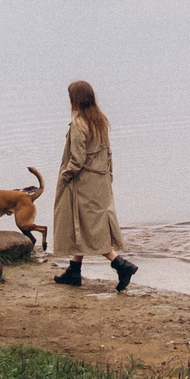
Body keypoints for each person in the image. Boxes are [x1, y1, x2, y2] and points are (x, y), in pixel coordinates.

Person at [50, 78, 136, 290]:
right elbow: (108, 153)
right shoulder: (100, 120)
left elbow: (77, 159)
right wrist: (109, 176)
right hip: (101, 180)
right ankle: (74, 271)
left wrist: (65, 176)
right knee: (85, 222)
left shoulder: (79, 124)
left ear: (75, 99)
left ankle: (120, 264)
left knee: (89, 226)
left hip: (84, 182)